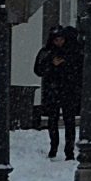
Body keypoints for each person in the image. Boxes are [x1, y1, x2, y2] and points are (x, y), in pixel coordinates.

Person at [33, 25, 83, 161]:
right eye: (56, 40)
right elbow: (38, 70)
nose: (59, 43)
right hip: (53, 91)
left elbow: (79, 68)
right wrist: (51, 64)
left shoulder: (72, 51)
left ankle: (69, 150)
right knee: (53, 120)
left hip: (67, 90)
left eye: (61, 39)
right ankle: (53, 146)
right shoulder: (46, 52)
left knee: (69, 121)